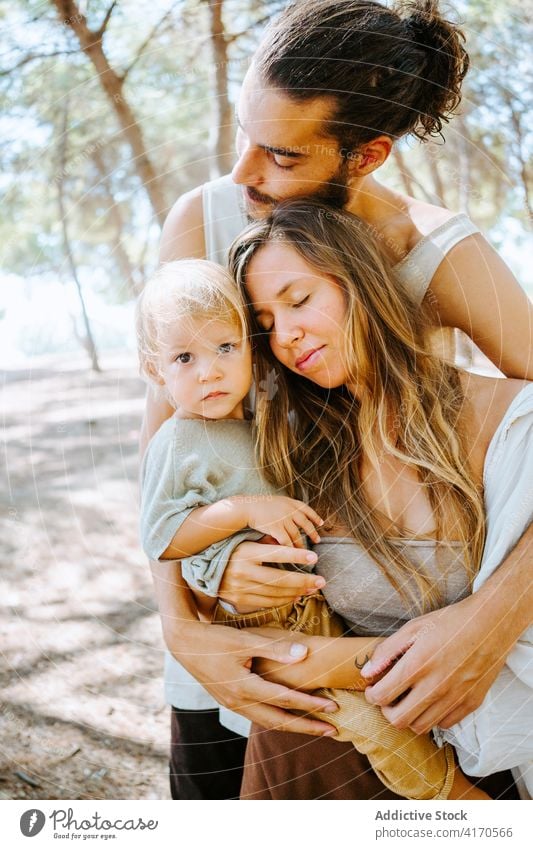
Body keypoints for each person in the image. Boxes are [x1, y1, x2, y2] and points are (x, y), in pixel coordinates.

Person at [145, 0, 533, 798]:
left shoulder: (437, 253)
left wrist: (491, 617)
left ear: (366, 155)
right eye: (242, 133)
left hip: (384, 651)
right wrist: (183, 628)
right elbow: (163, 438)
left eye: (283, 155)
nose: (245, 172)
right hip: (230, 629)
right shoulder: (207, 218)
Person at [136, 257, 493, 800]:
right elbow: (161, 537)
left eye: (225, 349)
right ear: (155, 371)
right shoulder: (178, 441)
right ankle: (460, 801)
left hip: (308, 606)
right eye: (184, 357)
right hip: (258, 617)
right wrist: (243, 513)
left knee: (388, 692)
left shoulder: (258, 420)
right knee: (371, 718)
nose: (208, 371)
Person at [222, 197, 532, 799]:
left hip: (484, 766)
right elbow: (262, 649)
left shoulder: (507, 422)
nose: (286, 336)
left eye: (299, 300)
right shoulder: (295, 458)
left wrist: (321, 664)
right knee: (290, 741)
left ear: (360, 282)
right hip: (342, 748)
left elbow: (518, 639)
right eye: (266, 323)